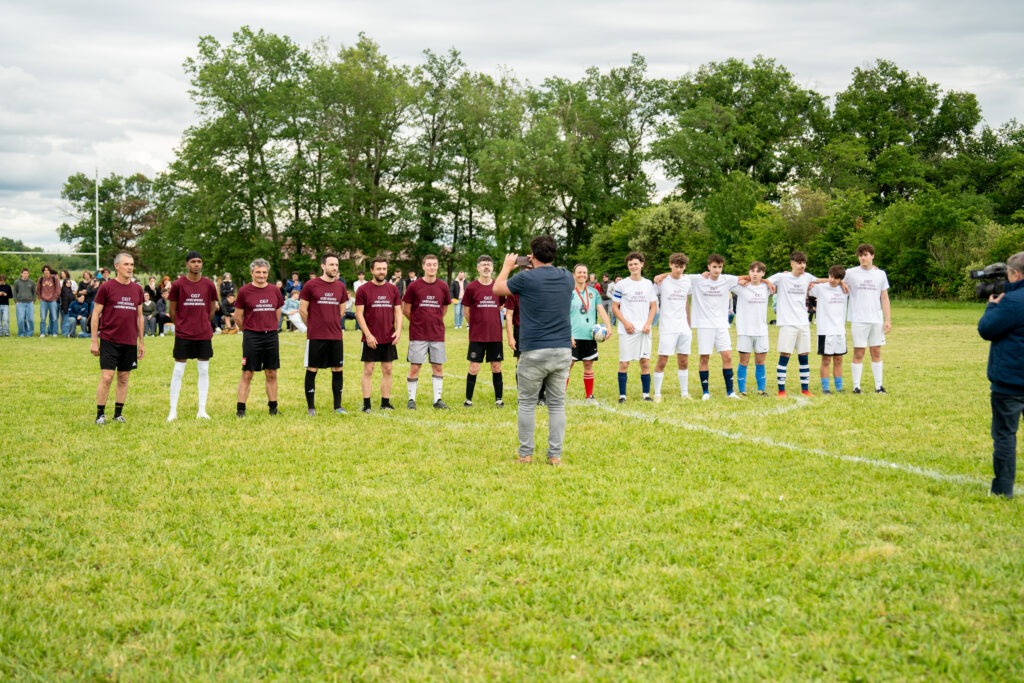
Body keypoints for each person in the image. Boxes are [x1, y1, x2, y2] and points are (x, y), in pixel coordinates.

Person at [494, 235, 574, 465]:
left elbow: (498, 288)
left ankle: (526, 454)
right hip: (561, 349)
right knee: (557, 404)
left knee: (527, 403)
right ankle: (555, 455)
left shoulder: (525, 278)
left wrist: (508, 266)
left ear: (533, 254)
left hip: (534, 350)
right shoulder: (566, 277)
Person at [977, 251, 1024, 499]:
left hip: (1011, 381)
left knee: (1005, 435)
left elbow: (987, 329)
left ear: (1015, 274)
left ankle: (1002, 489)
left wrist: (991, 306)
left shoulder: (1013, 301)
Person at [90, 253, 144, 424]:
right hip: (109, 340)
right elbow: (96, 314)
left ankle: (118, 413)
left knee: (124, 378)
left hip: (129, 342)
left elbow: (140, 317)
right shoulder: (107, 288)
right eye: (126, 264)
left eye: (132, 264)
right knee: (107, 377)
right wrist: (93, 340)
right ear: (117, 267)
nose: (130, 267)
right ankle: (100, 414)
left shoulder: (137, 289)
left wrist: (141, 342)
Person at [167, 250, 219, 421]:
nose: (196, 264)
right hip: (183, 334)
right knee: (178, 370)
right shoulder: (178, 284)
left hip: (203, 333)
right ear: (187, 264)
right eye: (193, 261)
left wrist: (203, 322)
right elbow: (172, 311)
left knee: (203, 370)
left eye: (199, 261)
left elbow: (211, 309)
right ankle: (173, 410)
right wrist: (182, 325)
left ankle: (202, 410)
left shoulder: (209, 284)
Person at [233, 258, 284, 418]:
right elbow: (238, 317)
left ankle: (273, 408)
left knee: (271, 373)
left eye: (264, 272)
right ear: (252, 273)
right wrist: (248, 331)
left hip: (271, 336)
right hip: (252, 336)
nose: (261, 275)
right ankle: (241, 409)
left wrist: (270, 327)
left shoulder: (274, 290)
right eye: (258, 272)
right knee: (248, 373)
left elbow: (277, 313)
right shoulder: (244, 291)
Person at [685, 254, 740, 400]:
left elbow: (748, 277)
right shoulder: (698, 280)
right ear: (708, 267)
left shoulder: (727, 279)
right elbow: (677, 275)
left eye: (720, 267)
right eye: (714, 267)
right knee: (704, 357)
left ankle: (730, 392)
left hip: (721, 325)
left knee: (727, 356)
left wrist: (765, 280)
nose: (717, 270)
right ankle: (705, 392)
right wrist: (661, 276)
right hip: (704, 325)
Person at [300, 253, 349, 416]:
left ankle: (338, 406)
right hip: (316, 336)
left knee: (338, 369)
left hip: (335, 336)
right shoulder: (310, 285)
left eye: (336, 265)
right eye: (331, 265)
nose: (334, 268)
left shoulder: (340, 286)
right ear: (323, 266)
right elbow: (302, 310)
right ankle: (311, 407)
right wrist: (314, 326)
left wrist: (331, 322)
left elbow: (342, 310)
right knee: (313, 369)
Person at [402, 254, 452, 409]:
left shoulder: (443, 286)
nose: (432, 267)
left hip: (437, 334)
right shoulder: (414, 286)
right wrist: (417, 321)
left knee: (437, 366)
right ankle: (411, 399)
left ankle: (437, 400)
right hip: (418, 334)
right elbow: (406, 309)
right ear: (423, 266)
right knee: (415, 366)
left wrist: (435, 320)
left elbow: (444, 308)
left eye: (434, 265)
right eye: (429, 264)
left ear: (437, 266)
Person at [355, 257, 403, 413]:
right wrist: (368, 335)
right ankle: (367, 404)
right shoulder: (363, 290)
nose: (382, 271)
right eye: (379, 269)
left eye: (384, 269)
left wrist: (399, 329)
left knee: (388, 369)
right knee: (369, 369)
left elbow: (398, 311)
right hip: (371, 338)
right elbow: (359, 314)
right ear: (372, 270)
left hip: (388, 336)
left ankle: (385, 402)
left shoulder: (393, 289)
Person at [768, 252, 818, 398]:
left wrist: (841, 281)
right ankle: (781, 390)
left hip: (803, 323)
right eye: (799, 262)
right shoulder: (782, 277)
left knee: (804, 355)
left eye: (804, 262)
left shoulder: (807, 277)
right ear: (792, 264)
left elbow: (823, 280)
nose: (802, 265)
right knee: (785, 355)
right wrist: (766, 283)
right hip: (787, 323)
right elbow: (764, 280)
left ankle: (805, 389)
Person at [845, 243, 892, 394]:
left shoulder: (880, 274)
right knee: (859, 352)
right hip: (858, 319)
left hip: (876, 319)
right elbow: (835, 280)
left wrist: (887, 319)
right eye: (860, 255)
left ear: (872, 256)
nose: (862, 258)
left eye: (865, 255)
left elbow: (884, 297)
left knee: (876, 352)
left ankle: (879, 386)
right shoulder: (851, 273)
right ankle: (856, 386)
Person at [611, 252, 658, 403]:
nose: (633, 266)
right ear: (628, 266)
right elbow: (614, 306)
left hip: (644, 330)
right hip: (627, 330)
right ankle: (622, 396)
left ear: (642, 264)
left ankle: (646, 395)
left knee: (644, 362)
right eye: (630, 264)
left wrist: (648, 324)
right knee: (624, 363)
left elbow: (653, 306)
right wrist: (625, 323)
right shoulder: (621, 284)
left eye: (636, 264)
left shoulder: (648, 284)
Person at [462, 255, 506, 407]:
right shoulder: (472, 287)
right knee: (474, 367)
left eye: (489, 264)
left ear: (492, 268)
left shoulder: (498, 287)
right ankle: (468, 399)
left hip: (495, 335)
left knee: (496, 366)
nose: (486, 267)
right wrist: (475, 325)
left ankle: (499, 399)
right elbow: (466, 311)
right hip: (477, 336)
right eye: (483, 265)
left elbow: (500, 306)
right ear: (478, 268)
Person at [651, 253, 692, 401]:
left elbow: (705, 276)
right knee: (662, 360)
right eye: (676, 266)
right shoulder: (662, 282)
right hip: (667, 326)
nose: (678, 270)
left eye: (681, 267)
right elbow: (650, 297)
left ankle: (685, 393)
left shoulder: (688, 281)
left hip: (683, 327)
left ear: (685, 267)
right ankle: (657, 393)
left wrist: (689, 322)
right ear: (670, 265)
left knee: (684, 360)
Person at [569, 263, 613, 402]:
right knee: (566, 366)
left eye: (584, 273)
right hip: (573, 336)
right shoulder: (568, 292)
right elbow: (562, 314)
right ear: (574, 275)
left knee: (588, 364)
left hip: (589, 335)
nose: (582, 275)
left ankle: (589, 396)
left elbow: (601, 310)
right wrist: (567, 334)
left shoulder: (593, 293)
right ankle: (558, 396)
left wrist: (609, 327)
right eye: (579, 272)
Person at [731, 261, 773, 396]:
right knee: (744, 361)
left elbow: (781, 278)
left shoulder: (767, 288)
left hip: (761, 331)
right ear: (749, 272)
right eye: (752, 271)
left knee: (760, 361)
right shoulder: (741, 287)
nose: (755, 274)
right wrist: (746, 279)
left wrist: (766, 281)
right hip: (745, 330)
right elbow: (731, 279)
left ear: (763, 273)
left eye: (758, 271)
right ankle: (742, 390)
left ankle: (762, 390)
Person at [809, 266, 849, 394]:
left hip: (840, 331)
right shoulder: (820, 288)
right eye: (830, 276)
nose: (832, 280)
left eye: (835, 278)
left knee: (838, 359)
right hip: (825, 330)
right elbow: (807, 282)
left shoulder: (845, 289)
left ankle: (839, 387)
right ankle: (825, 388)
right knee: (826, 360)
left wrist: (842, 283)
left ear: (840, 279)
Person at [13, 268, 35, 337]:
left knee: (30, 319)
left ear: (28, 274)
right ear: (21, 274)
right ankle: (21, 334)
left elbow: (34, 292)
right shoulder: (17, 282)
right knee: (21, 319)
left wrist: (33, 300)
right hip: (20, 303)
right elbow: (14, 292)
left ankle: (29, 333)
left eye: (27, 273)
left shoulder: (32, 282)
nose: (25, 275)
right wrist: (16, 301)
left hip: (29, 303)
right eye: (24, 273)